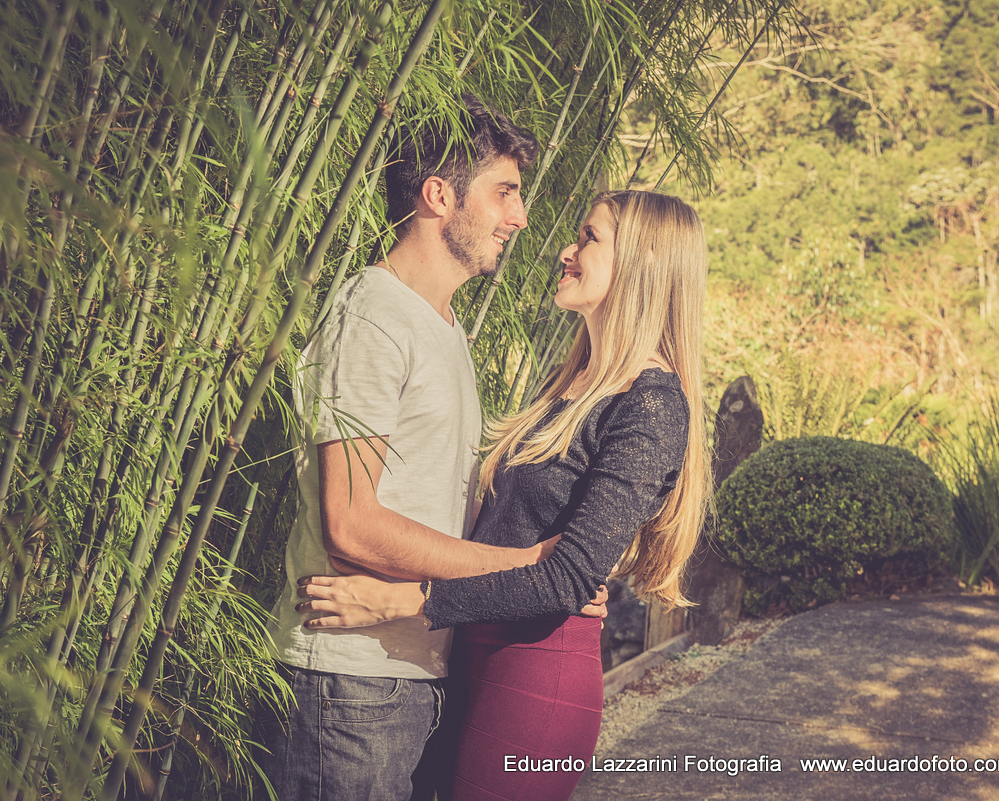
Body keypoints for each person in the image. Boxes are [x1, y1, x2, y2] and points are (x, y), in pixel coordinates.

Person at [298, 190, 713, 801]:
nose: (565, 252)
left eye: (589, 239)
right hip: (471, 660)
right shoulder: (575, 385)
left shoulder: (650, 404)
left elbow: (567, 579)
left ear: (644, 263)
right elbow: (517, 540)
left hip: (534, 678)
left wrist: (397, 602)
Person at [256, 95, 605, 801]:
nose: (521, 216)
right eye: (505, 192)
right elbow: (351, 522)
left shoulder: (440, 326)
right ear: (439, 195)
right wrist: (526, 564)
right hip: (346, 683)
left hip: (407, 676)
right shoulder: (373, 315)